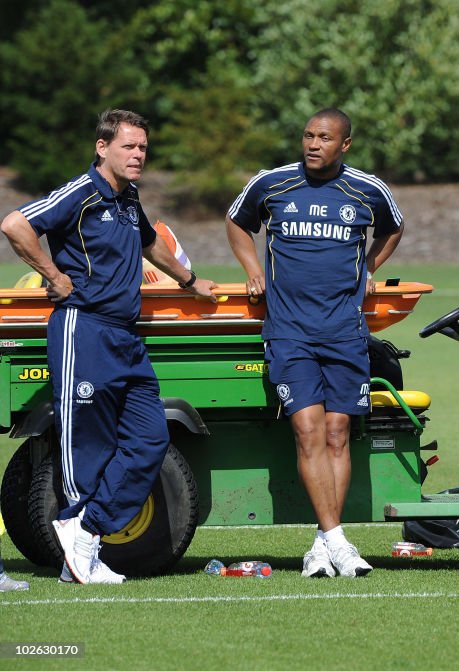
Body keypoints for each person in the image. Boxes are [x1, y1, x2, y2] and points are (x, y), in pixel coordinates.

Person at [0, 109, 217, 584]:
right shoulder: (81, 193)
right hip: (85, 329)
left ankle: (87, 532)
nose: (139, 155)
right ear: (103, 148)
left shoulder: (128, 197)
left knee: (151, 438)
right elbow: (15, 223)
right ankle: (77, 530)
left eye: (143, 147)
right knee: (88, 443)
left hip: (126, 336)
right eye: (129, 147)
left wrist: (189, 280)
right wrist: (54, 276)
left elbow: (148, 242)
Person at [226, 107, 403, 578]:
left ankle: (323, 544)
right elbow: (236, 222)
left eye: (324, 137)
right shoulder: (272, 183)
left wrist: (369, 267)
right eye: (307, 135)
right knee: (307, 432)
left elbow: (393, 228)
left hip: (345, 332)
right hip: (290, 332)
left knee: (337, 434)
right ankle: (340, 543)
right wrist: (252, 269)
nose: (313, 144)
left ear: (344, 145)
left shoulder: (367, 189)